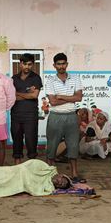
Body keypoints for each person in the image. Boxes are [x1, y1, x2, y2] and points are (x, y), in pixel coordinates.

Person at [45, 53, 84, 182]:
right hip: (55, 116)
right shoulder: (50, 80)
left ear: (67, 64)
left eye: (63, 63)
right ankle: (50, 172)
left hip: (71, 116)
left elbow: (78, 97)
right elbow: (53, 102)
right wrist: (70, 99)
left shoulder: (75, 78)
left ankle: (74, 173)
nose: (61, 66)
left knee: (73, 145)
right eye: (58, 64)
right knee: (52, 145)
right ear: (54, 65)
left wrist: (61, 96)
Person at [0, 159, 71, 199]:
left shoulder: (47, 186)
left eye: (61, 185)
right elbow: (28, 165)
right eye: (62, 180)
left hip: (15, 182)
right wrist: (24, 173)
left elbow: (36, 190)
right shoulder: (44, 167)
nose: (60, 183)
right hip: (14, 171)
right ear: (61, 175)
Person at [11, 53, 43, 164]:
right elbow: (11, 97)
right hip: (16, 116)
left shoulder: (36, 78)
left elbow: (34, 96)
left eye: (30, 64)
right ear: (20, 64)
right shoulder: (13, 79)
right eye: (25, 64)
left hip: (30, 116)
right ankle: (17, 171)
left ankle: (31, 171)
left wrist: (18, 94)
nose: (27, 67)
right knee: (17, 144)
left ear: (33, 65)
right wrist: (26, 94)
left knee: (31, 143)